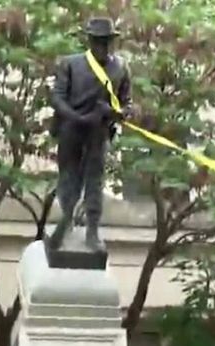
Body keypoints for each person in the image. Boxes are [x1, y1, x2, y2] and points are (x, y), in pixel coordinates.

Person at [49, 16, 132, 252]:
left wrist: (114, 113)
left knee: (95, 182)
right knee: (68, 179)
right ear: (89, 41)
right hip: (71, 131)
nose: (102, 47)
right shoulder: (70, 64)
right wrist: (76, 117)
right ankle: (65, 223)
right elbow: (57, 96)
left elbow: (128, 106)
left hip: (98, 132)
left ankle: (93, 230)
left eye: (106, 42)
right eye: (98, 41)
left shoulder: (121, 68)